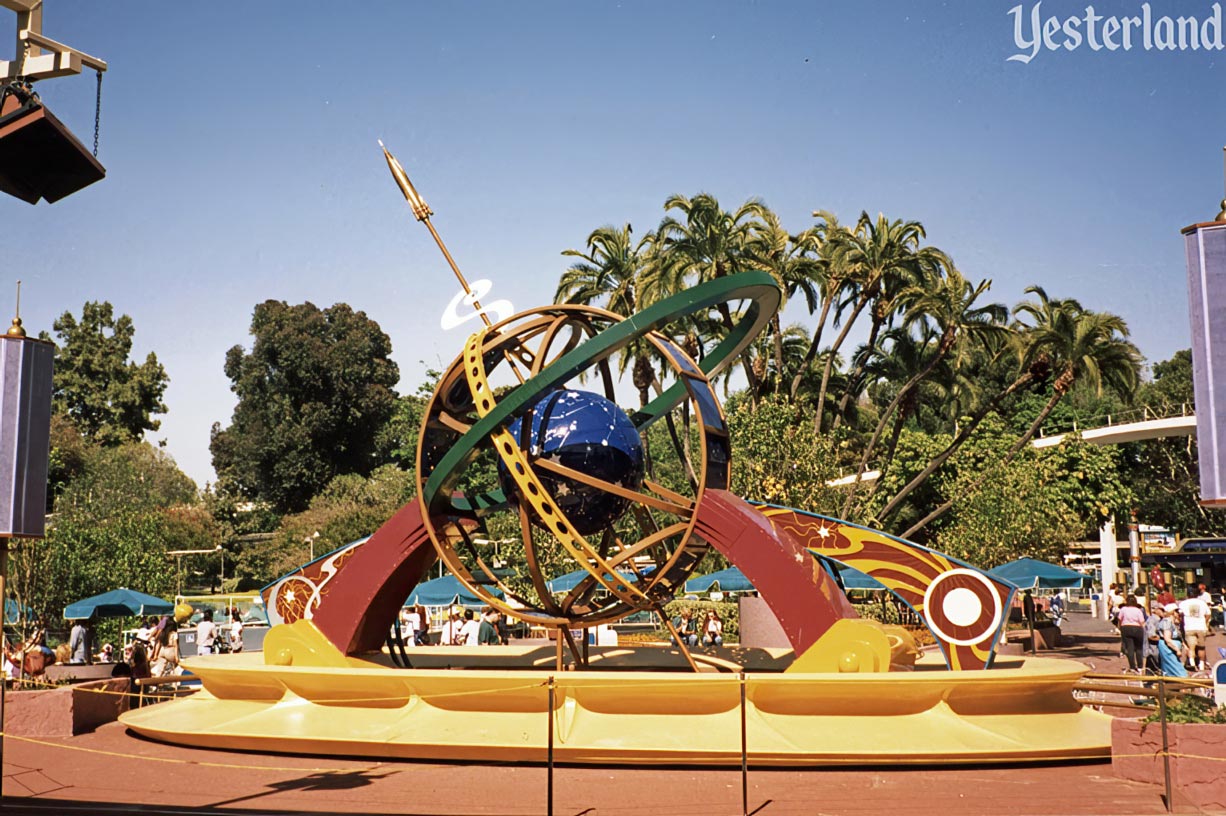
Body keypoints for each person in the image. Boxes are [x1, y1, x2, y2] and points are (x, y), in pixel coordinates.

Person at [1179, 587, 1209, 672]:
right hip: (1201, 627)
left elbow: (1180, 615)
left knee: (1191, 647)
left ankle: (1192, 664)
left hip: (1189, 627)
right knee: (1201, 648)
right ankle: (1201, 665)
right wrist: (1204, 621)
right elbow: (1208, 614)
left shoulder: (1183, 603)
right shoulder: (1202, 603)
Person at [1116, 594, 1146, 673]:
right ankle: (1140, 666)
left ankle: (1132, 666)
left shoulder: (1123, 609)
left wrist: (1119, 627)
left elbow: (1119, 619)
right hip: (1137, 628)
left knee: (1130, 648)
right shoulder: (1138, 610)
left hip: (1126, 628)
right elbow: (1142, 621)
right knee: (1139, 648)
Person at [1157, 603, 1188, 678]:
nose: (1179, 613)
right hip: (1168, 649)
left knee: (1172, 670)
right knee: (1179, 671)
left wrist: (1184, 646)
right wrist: (1177, 649)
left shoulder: (1173, 622)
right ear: (1173, 612)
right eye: (1177, 611)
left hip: (1172, 649)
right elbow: (1167, 639)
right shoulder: (1167, 622)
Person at [1143, 600, 1163, 675]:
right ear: (1155, 609)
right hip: (1153, 651)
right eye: (1162, 610)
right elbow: (1151, 635)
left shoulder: (1159, 620)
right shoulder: (1153, 620)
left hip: (1156, 650)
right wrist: (1163, 640)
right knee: (1153, 670)